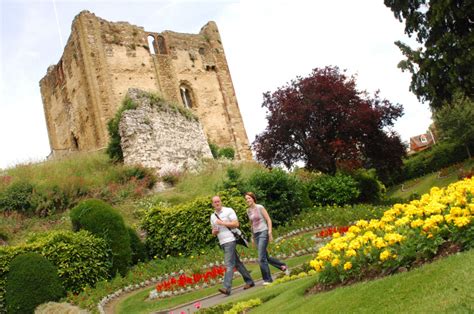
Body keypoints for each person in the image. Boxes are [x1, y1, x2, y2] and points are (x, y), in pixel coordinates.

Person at [210, 195, 255, 295]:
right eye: (215, 202)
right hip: (222, 242)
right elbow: (213, 230)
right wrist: (214, 231)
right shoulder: (212, 216)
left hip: (230, 239)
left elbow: (236, 224)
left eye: (218, 201)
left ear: (221, 202)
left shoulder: (228, 210)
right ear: (212, 204)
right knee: (237, 263)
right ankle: (250, 282)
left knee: (229, 264)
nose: (217, 203)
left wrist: (222, 223)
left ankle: (226, 288)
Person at [245, 192, 290, 285]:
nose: (247, 200)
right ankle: (282, 266)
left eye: (249, 198)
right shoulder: (248, 211)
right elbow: (251, 224)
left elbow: (268, 219)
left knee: (261, 257)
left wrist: (269, 232)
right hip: (256, 234)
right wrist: (252, 237)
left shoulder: (260, 207)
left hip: (263, 232)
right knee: (265, 257)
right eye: (246, 199)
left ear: (253, 198)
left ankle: (268, 280)